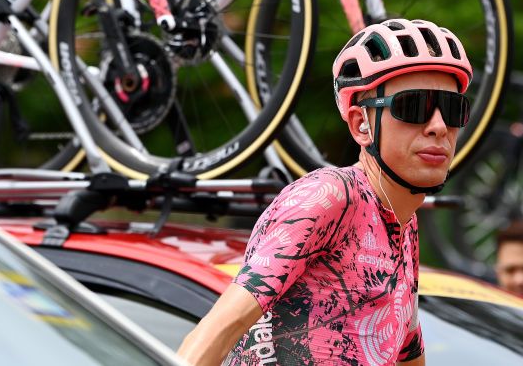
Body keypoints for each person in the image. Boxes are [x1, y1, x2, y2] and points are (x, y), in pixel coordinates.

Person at [177, 18, 474, 366]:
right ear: (360, 124)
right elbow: (214, 333)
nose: (439, 126)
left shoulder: (403, 224)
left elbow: (408, 356)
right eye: (413, 107)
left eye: (453, 109)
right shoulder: (331, 196)